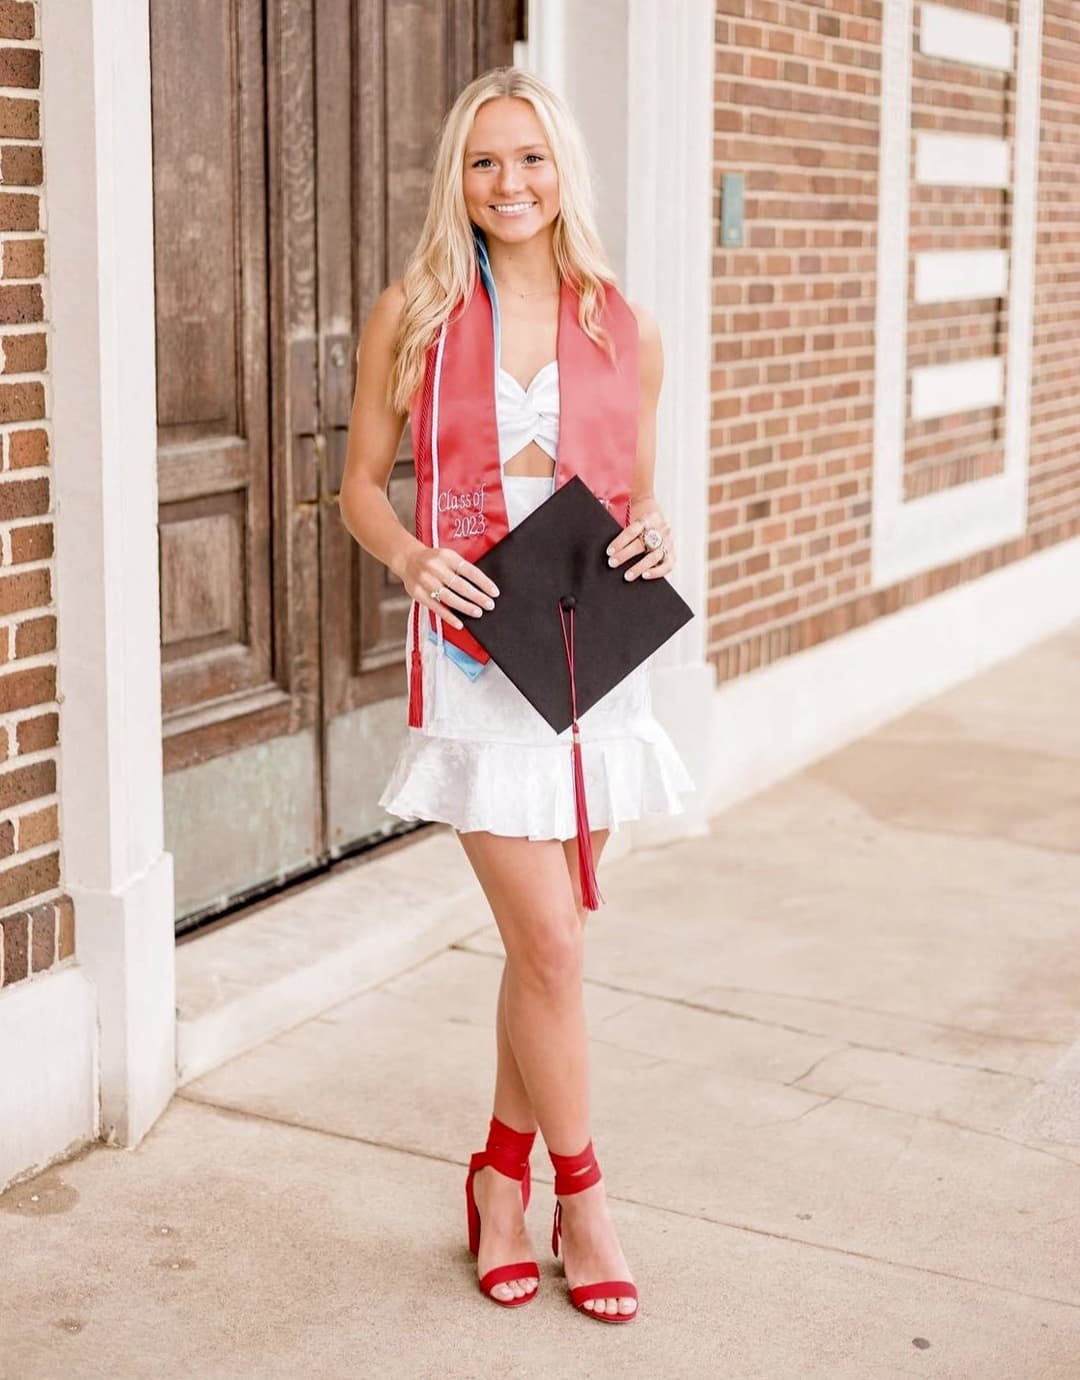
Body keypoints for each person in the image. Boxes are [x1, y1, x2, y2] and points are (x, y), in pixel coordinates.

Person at [338, 66, 694, 1323]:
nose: (510, 184)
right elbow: (363, 487)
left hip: (594, 653)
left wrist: (653, 530)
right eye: (486, 163)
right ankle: (582, 1196)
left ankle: (496, 1177)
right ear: (459, 178)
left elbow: (639, 492)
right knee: (546, 940)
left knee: (553, 948)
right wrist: (408, 555)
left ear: (563, 173)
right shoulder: (415, 314)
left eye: (531, 160)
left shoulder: (622, 325)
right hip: (479, 653)